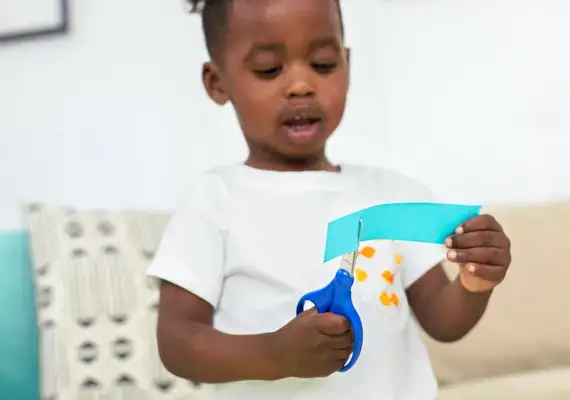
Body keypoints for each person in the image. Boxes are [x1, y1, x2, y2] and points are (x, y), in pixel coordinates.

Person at [147, 0, 512, 399]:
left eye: (323, 63)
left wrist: (475, 282)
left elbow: (444, 321)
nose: (301, 85)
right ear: (218, 83)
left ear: (347, 64)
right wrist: (273, 355)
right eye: (269, 69)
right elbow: (178, 342)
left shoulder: (393, 196)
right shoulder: (214, 199)